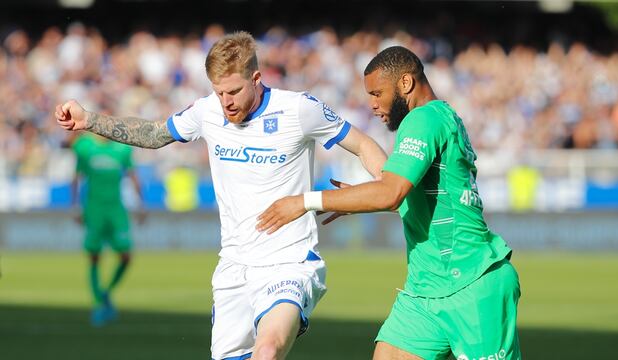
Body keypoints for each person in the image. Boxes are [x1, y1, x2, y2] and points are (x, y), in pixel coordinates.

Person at [55, 31, 387, 360]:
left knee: (268, 350)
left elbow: (362, 143)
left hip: (289, 262)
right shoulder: (206, 112)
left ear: (256, 78)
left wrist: (386, 182)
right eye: (218, 92)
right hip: (234, 268)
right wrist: (89, 120)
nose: (226, 101)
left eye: (233, 91)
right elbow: (154, 134)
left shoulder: (299, 109)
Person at [257, 46, 521, 360]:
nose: (372, 104)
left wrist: (305, 201)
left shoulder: (422, 120)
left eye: (377, 93)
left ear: (406, 84)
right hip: (426, 287)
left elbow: (390, 193)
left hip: (471, 281)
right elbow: (406, 196)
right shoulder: (440, 117)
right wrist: (356, 198)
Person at [70, 132, 144, 327]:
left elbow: (133, 175)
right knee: (94, 256)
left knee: (126, 256)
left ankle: (105, 293)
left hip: (116, 210)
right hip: (94, 209)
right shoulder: (86, 148)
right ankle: (98, 304)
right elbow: (76, 177)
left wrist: (140, 205)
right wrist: (75, 206)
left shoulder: (122, 149)